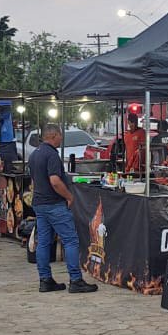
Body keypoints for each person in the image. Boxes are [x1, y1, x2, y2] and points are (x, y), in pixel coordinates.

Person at [29, 125, 98, 294]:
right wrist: (69, 196)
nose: (61, 139)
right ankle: (75, 280)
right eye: (60, 135)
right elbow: (54, 181)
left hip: (39, 203)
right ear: (53, 135)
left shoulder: (34, 154)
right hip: (54, 204)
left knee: (44, 242)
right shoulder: (51, 155)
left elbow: (35, 180)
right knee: (70, 240)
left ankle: (45, 279)